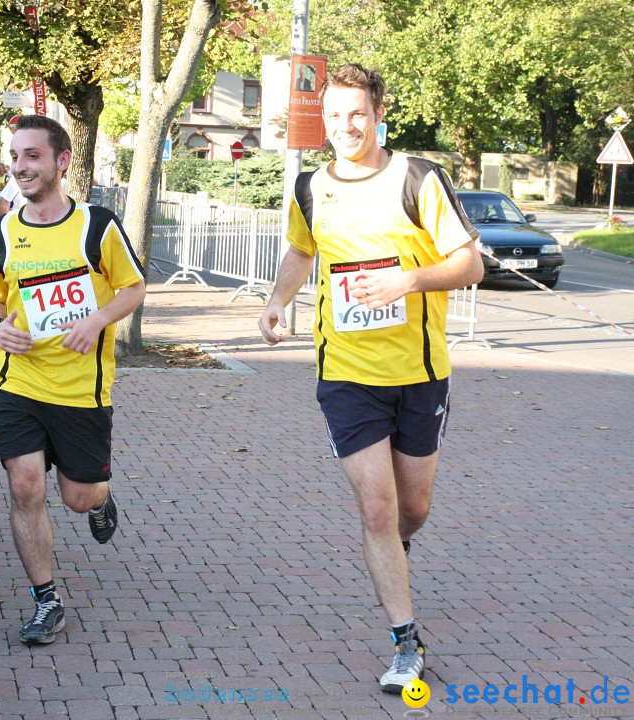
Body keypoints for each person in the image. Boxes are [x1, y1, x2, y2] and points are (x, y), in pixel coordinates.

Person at [256, 63, 483, 694]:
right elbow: (303, 250)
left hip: (420, 373)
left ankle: (394, 558)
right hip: (347, 374)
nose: (345, 126)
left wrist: (408, 279)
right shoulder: (310, 188)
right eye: (334, 115)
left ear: (378, 114)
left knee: (414, 508)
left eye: (356, 113)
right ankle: (405, 642)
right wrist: (278, 300)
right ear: (322, 120)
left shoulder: (417, 178)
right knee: (379, 509)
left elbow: (469, 264)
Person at [0, 115, 146, 645]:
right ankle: (45, 601)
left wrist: (98, 320)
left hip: (81, 390)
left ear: (62, 161)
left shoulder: (97, 226)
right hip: (19, 382)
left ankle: (100, 500)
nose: (21, 166)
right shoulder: (1, 231)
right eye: (15, 156)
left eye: (32, 155)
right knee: (24, 485)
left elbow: (133, 287)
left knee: (77, 496)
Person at [0, 172, 69, 216]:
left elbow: (62, 208)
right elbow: (3, 205)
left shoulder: (62, 182)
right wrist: (14, 223)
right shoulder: (18, 178)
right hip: (21, 232)